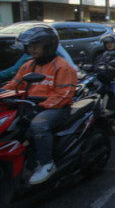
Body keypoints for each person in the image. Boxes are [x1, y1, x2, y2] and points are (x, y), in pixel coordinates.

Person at [2, 25, 77, 184]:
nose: (32, 49)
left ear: (48, 46)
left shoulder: (62, 66)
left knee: (38, 125)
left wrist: (39, 108)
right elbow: (14, 85)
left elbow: (63, 95)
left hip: (55, 108)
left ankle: (46, 163)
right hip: (29, 105)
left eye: (36, 45)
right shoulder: (28, 65)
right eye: (30, 46)